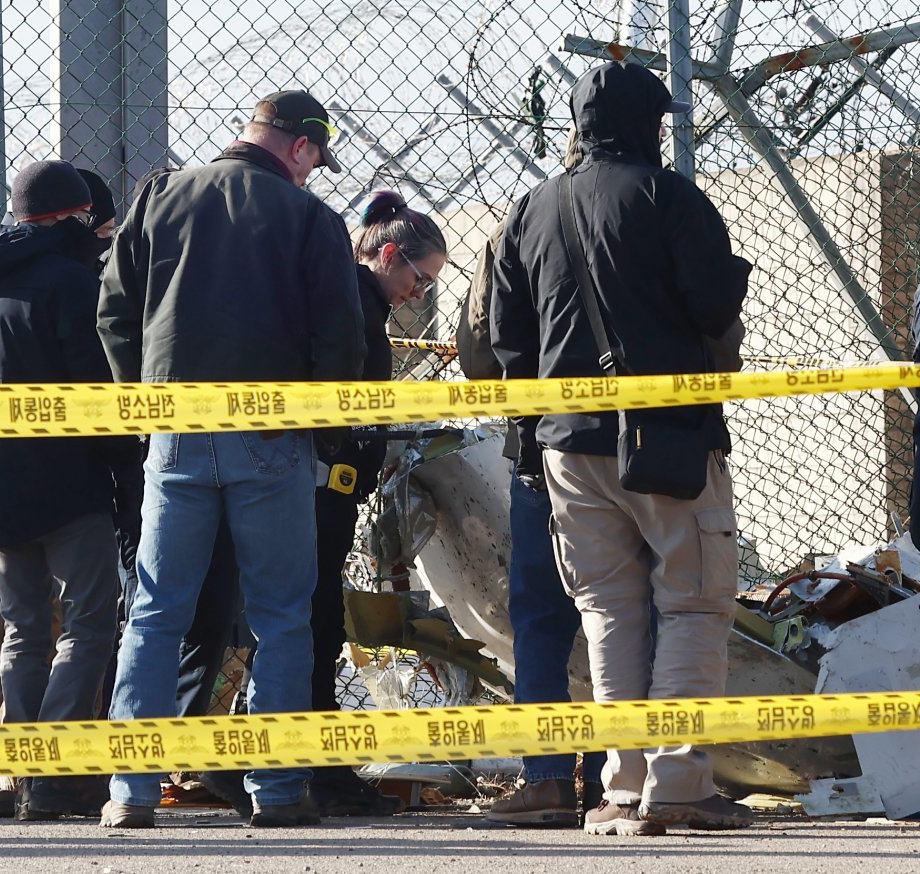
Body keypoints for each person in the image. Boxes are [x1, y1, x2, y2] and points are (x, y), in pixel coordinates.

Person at [491, 61, 753, 836]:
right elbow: (711, 304)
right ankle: (678, 783)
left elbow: (506, 340)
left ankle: (619, 789)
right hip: (666, 435)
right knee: (694, 600)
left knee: (608, 610)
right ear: (653, 122)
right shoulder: (669, 196)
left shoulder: (529, 210)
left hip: (567, 441)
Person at [97, 89, 364, 829]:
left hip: (175, 432)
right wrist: (327, 432)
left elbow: (114, 310)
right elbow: (338, 338)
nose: (315, 175)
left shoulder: (158, 197)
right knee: (281, 617)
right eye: (317, 161)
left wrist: (142, 408)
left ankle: (131, 792)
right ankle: (275, 793)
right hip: (272, 435)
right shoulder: (311, 219)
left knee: (153, 615)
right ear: (302, 148)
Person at [203, 190, 448, 818]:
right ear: (388, 255)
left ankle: (307, 761)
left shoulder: (356, 302)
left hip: (322, 480)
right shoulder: (348, 304)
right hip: (315, 483)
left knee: (304, 621)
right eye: (418, 279)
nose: (418, 295)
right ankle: (307, 765)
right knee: (307, 623)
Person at [0, 159, 124, 821]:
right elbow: (95, 394)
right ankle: (53, 773)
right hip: (67, 485)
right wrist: (125, 478)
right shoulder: (71, 283)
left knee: (21, 632)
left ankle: (19, 772)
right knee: (89, 626)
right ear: (72, 217)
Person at [459, 130, 607, 829]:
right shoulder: (661, 204)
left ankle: (547, 777)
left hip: (541, 448)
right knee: (631, 611)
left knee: (542, 618)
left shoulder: (519, 217)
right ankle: (621, 777)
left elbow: (478, 349)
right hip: (642, 447)